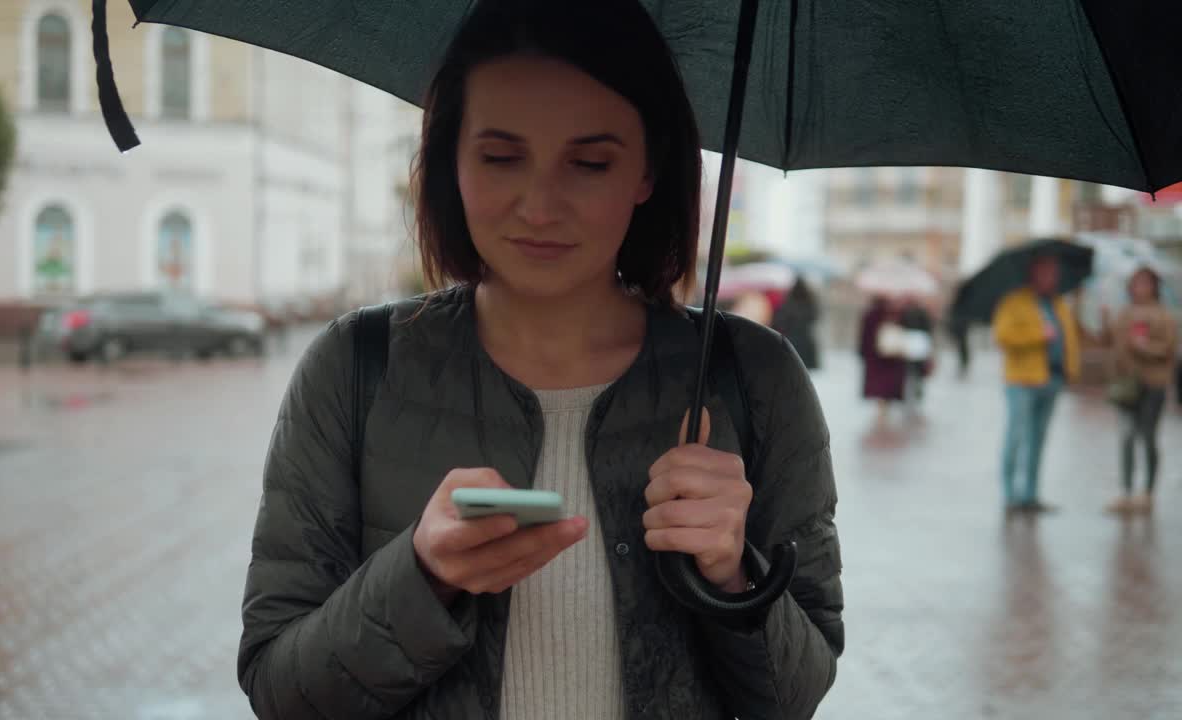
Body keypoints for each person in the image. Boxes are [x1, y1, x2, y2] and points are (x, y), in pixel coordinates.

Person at [237, 2, 845, 718]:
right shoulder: (353, 367)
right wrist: (421, 577)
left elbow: (798, 694)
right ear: (450, 161)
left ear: (648, 170)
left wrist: (735, 574)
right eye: (499, 157)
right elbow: (282, 691)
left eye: (590, 163)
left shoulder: (754, 376)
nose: (539, 204)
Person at [992, 255, 1080, 513]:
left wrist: (1071, 369)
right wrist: (1037, 335)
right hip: (1021, 379)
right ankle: (1011, 495)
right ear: (1033, 274)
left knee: (1038, 439)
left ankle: (1030, 494)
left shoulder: (1059, 304)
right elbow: (1002, 336)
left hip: (1051, 378)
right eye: (1044, 272)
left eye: (1053, 273)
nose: (1050, 278)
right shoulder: (1015, 302)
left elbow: (1069, 339)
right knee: (1016, 437)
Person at [1104, 267, 1177, 514]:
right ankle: (1126, 492)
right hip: (1128, 383)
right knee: (1126, 436)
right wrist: (1104, 321)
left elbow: (1168, 350)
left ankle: (1147, 492)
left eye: (1145, 283)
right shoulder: (1124, 313)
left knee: (1147, 436)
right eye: (1136, 283)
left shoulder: (1164, 315)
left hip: (1153, 383)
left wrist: (1144, 347)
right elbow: (1109, 342)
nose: (1140, 288)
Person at [858, 296, 906, 422]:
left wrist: (863, 352)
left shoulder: (871, 314)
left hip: (876, 356)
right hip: (890, 356)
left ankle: (881, 409)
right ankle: (884, 409)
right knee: (887, 384)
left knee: (880, 384)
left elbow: (864, 337)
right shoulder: (896, 314)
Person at [771, 275, 820, 370]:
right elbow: (814, 317)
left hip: (792, 339)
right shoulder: (809, 302)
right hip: (805, 339)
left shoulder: (789, 302)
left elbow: (781, 319)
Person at [898, 298, 934, 406]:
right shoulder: (920, 314)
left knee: (913, 373)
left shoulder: (905, 313)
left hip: (914, 346)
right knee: (915, 373)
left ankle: (913, 395)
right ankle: (915, 395)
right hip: (916, 346)